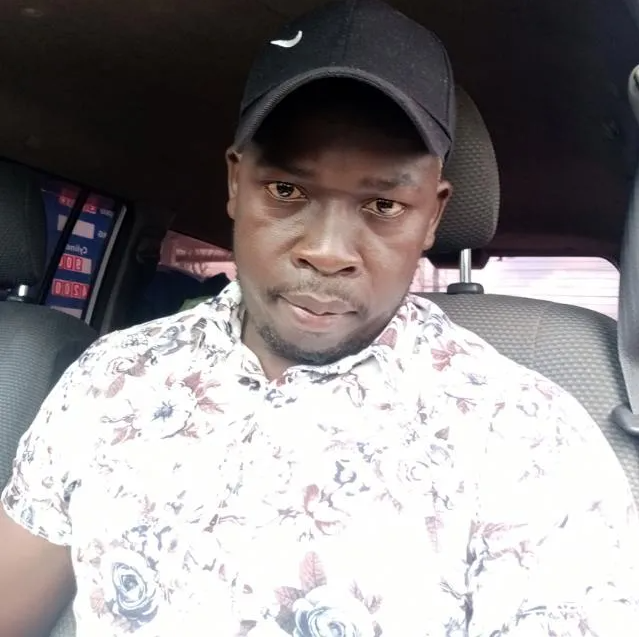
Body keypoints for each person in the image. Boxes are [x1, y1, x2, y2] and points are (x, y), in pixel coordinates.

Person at [1, 0, 638, 635]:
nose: (328, 251)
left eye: (384, 205)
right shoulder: (112, 380)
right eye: (287, 190)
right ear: (235, 182)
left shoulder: (525, 436)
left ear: (433, 216)